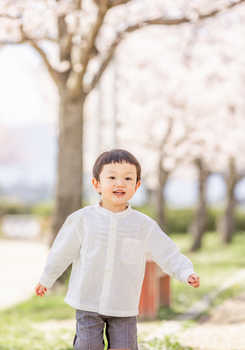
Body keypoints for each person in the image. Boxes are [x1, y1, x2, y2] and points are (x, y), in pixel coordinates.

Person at [35, 149, 200, 350]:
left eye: (128, 178)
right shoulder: (83, 219)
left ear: (137, 185)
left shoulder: (143, 225)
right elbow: (62, 251)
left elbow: (167, 253)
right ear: (97, 184)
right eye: (112, 177)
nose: (120, 183)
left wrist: (185, 272)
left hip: (123, 305)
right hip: (88, 300)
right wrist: (47, 278)